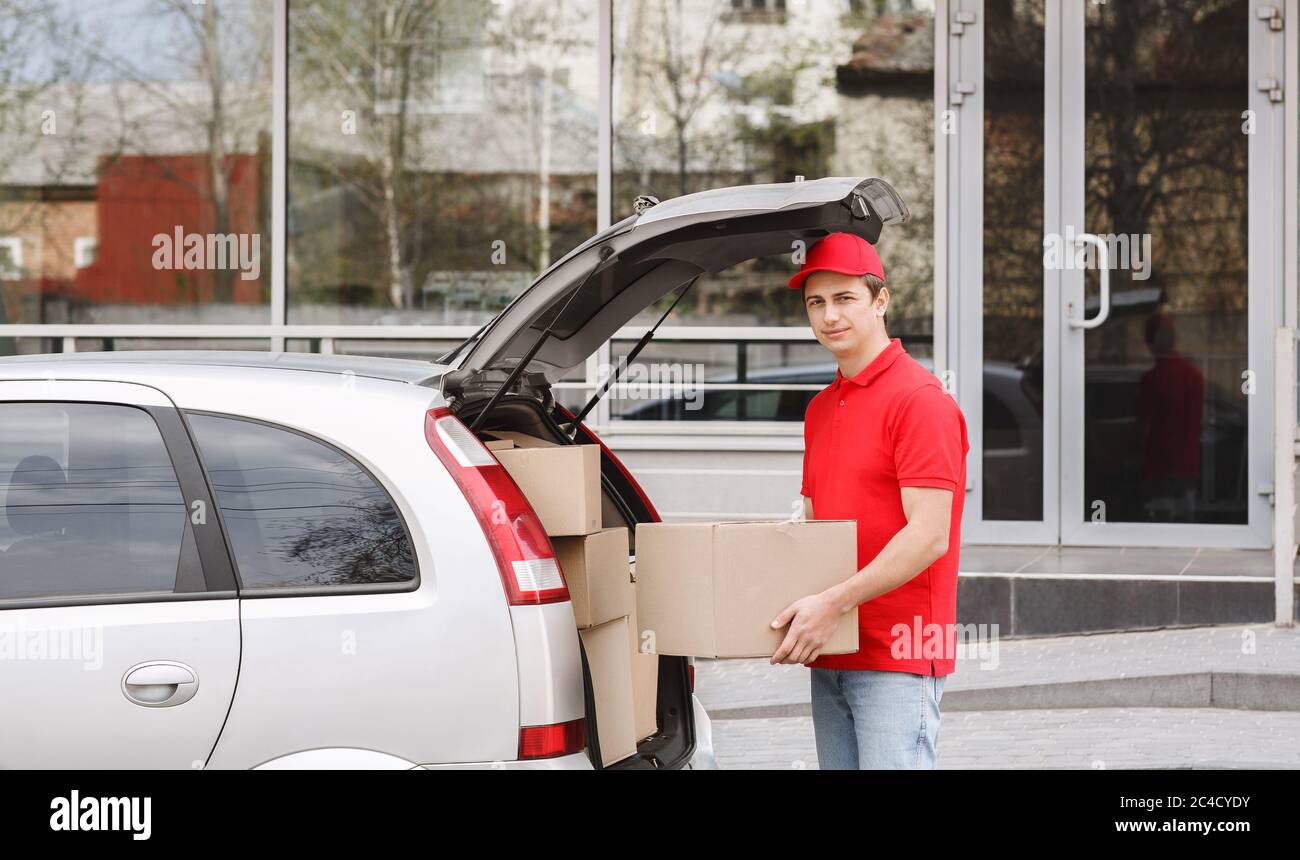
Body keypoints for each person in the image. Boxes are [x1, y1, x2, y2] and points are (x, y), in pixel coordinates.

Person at [769, 231, 970, 769]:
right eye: (816, 303)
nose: (829, 315)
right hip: (831, 646)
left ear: (881, 301)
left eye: (845, 299)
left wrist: (832, 603)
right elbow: (816, 522)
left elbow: (929, 536)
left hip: (897, 653)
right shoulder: (819, 408)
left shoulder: (919, 401)